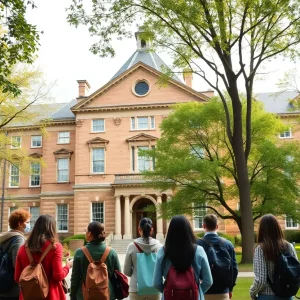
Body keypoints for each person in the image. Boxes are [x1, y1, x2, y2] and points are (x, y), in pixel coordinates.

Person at [153, 215, 212, 300]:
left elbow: (156, 282)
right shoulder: (199, 250)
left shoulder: (163, 252)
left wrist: (168, 291)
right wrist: (197, 291)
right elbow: (208, 281)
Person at [14, 214, 72, 300]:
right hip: (50, 295)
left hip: (28, 295)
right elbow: (58, 276)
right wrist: (68, 266)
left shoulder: (22, 248)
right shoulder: (55, 247)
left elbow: (17, 277)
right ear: (52, 228)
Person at [250, 214, 298, 300]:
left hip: (267, 295)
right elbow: (297, 272)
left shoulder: (261, 249)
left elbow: (261, 280)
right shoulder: (289, 246)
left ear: (262, 229)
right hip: (287, 294)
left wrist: (252, 292)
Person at [70, 221, 121, 300]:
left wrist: (72, 296)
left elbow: (75, 279)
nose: (85, 233)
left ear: (89, 233)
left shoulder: (79, 252)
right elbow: (119, 277)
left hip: (84, 296)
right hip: (108, 295)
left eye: (86, 231)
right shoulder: (112, 252)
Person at [197, 214, 238, 300]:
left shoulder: (197, 245)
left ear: (203, 226)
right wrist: (230, 288)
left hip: (203, 291)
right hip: (223, 291)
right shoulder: (228, 244)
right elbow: (234, 269)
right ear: (217, 226)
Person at [124, 217, 163, 300]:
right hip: (155, 288)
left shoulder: (131, 246)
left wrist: (136, 272)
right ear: (151, 230)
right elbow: (163, 269)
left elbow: (126, 271)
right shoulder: (160, 247)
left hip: (136, 288)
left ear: (139, 229)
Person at [0, 209, 31, 300]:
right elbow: (17, 264)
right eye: (27, 222)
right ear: (20, 224)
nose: (29, 225)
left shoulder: (4, 237)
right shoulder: (18, 239)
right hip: (12, 289)